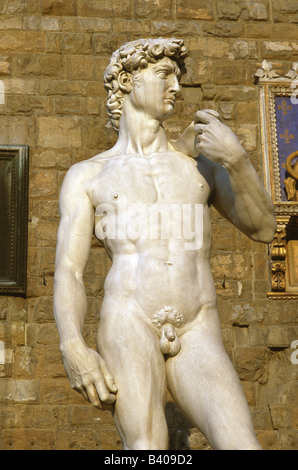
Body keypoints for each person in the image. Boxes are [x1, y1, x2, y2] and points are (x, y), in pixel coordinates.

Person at [53, 38, 276, 450]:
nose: (176, 86)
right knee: (146, 448)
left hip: (197, 326)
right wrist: (72, 345)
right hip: (129, 320)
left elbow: (263, 230)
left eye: (178, 77)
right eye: (164, 75)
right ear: (126, 81)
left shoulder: (198, 164)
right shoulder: (88, 175)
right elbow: (69, 271)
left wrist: (238, 161)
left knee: (242, 444)